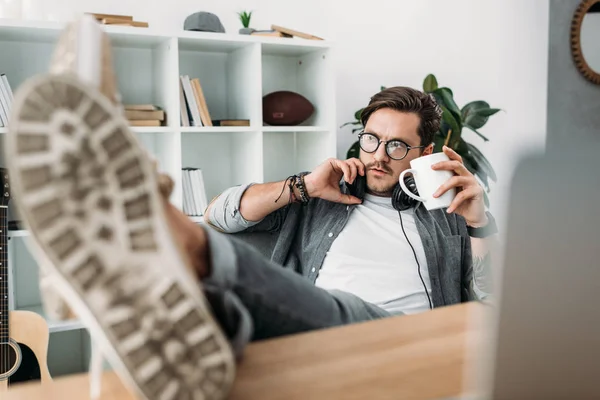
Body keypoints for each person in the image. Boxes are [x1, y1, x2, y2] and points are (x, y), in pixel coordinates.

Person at [8, 16, 497, 400]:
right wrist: (303, 185)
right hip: (318, 332)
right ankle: (167, 312)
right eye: (371, 139)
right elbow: (223, 214)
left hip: (404, 342)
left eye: (396, 146)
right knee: (267, 311)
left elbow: (487, 302)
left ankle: (153, 227)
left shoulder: (448, 212)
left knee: (336, 308)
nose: (377, 155)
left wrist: (480, 224)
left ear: (423, 152)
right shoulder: (325, 197)